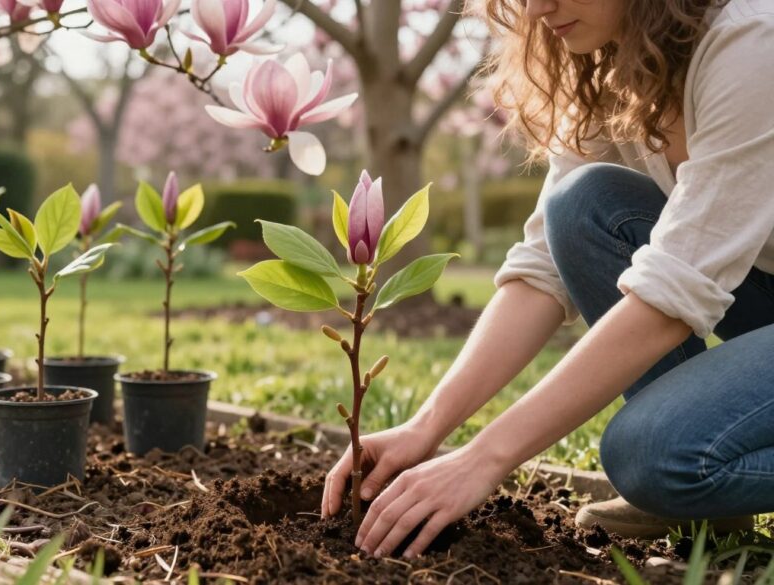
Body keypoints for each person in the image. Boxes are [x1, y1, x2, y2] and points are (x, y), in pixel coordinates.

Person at [321, 0, 774, 559]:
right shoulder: (614, 64)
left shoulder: (751, 42)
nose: (538, 9)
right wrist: (426, 428)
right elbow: (543, 268)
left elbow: (671, 296)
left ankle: (685, 466)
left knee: (652, 455)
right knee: (582, 203)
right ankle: (709, 498)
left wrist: (483, 458)